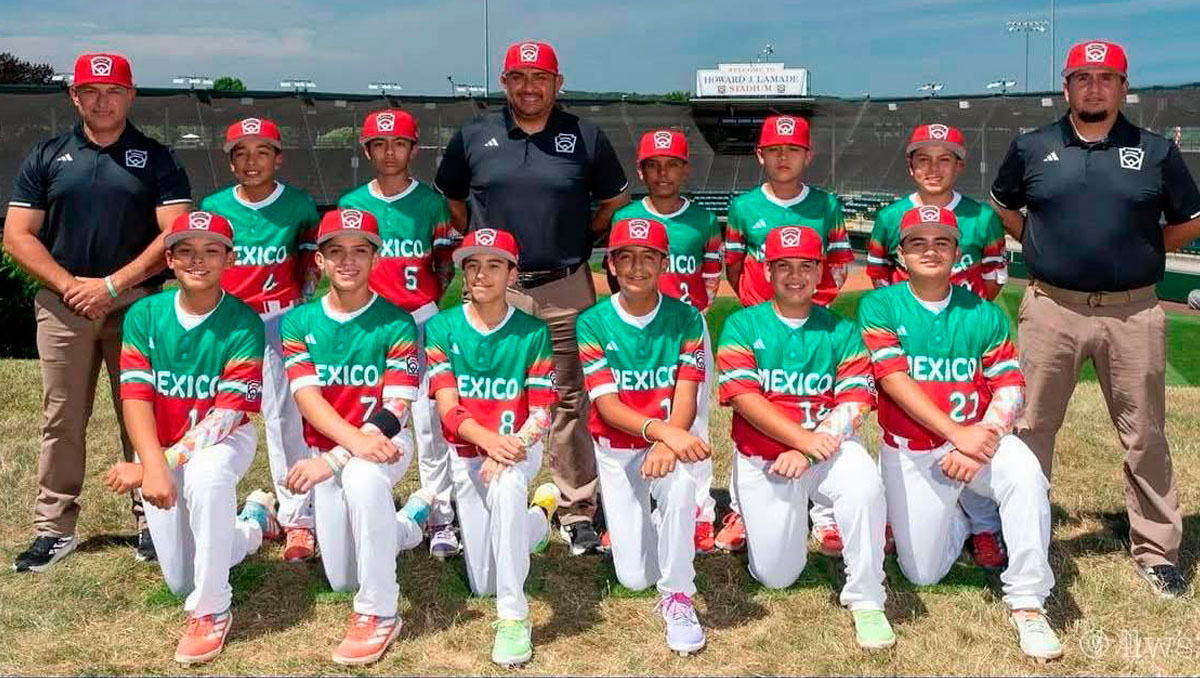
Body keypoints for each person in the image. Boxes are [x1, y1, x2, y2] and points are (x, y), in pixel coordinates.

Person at [991, 40, 1200, 598]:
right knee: (1031, 429)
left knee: (1145, 433)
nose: (1094, 87)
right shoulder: (1032, 146)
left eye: (1106, 78)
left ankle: (1157, 550)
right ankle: (1022, 538)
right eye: (1083, 77)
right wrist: (1042, 247)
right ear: (1066, 87)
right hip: (1051, 307)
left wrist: (1139, 251)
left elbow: (1186, 222)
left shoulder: (1155, 151)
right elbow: (1006, 207)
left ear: (1123, 88)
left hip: (1133, 311)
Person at [435, 40, 630, 555]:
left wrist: (578, 240)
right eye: (518, 77)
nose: (529, 87)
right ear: (504, 82)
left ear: (557, 83)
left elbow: (614, 200)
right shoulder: (475, 135)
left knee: (568, 398)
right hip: (496, 289)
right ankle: (483, 500)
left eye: (539, 77)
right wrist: (483, 250)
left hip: (565, 284)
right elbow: (454, 200)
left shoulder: (585, 137)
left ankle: (576, 507)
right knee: (489, 396)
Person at [5, 52, 192, 570]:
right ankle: (54, 527)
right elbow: (16, 236)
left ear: (130, 95)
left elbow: (175, 230)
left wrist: (112, 285)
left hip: (138, 304)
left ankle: (151, 518)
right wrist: (72, 286)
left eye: (113, 90)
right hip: (64, 306)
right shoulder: (47, 155)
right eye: (91, 90)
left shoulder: (156, 157)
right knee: (62, 417)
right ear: (74, 96)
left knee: (145, 412)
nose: (102, 100)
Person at [858, 205, 1061, 662]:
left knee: (1025, 473)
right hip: (912, 451)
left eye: (941, 242)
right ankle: (964, 515)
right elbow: (892, 379)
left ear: (958, 253)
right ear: (900, 254)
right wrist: (957, 434)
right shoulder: (879, 305)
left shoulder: (983, 312)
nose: (930, 250)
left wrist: (981, 438)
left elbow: (1010, 384)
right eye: (917, 242)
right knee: (922, 573)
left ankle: (1027, 600)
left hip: (978, 441)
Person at [101, 211, 275, 665]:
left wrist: (156, 465)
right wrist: (153, 463)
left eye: (211, 250)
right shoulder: (145, 313)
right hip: (160, 453)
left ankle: (212, 610)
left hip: (224, 441)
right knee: (180, 578)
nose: (198, 260)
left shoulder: (244, 322)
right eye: (186, 251)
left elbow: (226, 415)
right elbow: (135, 397)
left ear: (229, 258)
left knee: (208, 474)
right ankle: (254, 525)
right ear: (170, 260)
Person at [717, 225, 893, 651]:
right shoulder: (741, 324)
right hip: (764, 458)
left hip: (825, 452)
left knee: (864, 481)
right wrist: (799, 440)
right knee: (777, 576)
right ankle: (792, 522)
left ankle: (867, 597)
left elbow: (856, 402)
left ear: (821, 272)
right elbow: (743, 398)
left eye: (806, 266)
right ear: (766, 270)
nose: (794, 275)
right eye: (783, 266)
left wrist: (809, 449)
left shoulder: (841, 330)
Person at [279, 209, 436, 665]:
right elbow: (308, 400)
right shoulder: (298, 322)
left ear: (376, 257)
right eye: (336, 252)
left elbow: (396, 409)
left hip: (386, 445)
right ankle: (409, 523)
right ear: (320, 262)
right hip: (333, 445)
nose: (348, 262)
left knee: (365, 479)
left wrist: (334, 460)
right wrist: (342, 449)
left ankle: (379, 613)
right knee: (342, 577)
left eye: (359, 251)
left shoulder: (398, 323)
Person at [865, 123, 1008, 569]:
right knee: (906, 425)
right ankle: (904, 513)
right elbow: (879, 276)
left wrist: (966, 324)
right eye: (923, 158)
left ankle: (983, 524)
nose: (933, 168)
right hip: (909, 332)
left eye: (944, 158)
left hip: (965, 337)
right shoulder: (890, 217)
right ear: (910, 166)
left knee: (971, 424)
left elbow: (992, 279)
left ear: (960, 165)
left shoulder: (981, 217)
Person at [424, 228, 561, 667]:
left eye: (494, 264)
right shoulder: (443, 327)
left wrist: (511, 446)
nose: (482, 273)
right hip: (469, 452)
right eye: (473, 264)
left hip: (519, 450)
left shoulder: (533, 332)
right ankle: (538, 518)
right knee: (482, 580)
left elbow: (542, 413)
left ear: (513, 273)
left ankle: (513, 617)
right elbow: (448, 409)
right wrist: (488, 442)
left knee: (504, 488)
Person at [576, 217, 709, 655]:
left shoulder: (686, 317)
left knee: (683, 484)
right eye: (625, 257)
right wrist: (660, 431)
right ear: (610, 264)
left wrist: (667, 440)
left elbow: (686, 396)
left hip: (665, 448)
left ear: (663, 263)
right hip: (618, 449)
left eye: (648, 256)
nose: (637, 266)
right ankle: (658, 525)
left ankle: (678, 595)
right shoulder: (593, 321)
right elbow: (607, 406)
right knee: (634, 578)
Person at [721, 114, 853, 557]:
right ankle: (741, 508)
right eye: (774, 150)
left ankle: (827, 515)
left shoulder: (826, 205)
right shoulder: (743, 207)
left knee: (820, 406)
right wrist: (756, 310)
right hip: (762, 324)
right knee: (754, 415)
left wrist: (818, 306)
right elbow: (735, 266)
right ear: (760, 155)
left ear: (807, 155)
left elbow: (838, 264)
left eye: (792, 150)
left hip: (814, 319)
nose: (783, 157)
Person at [339, 109, 461, 560]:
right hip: (370, 321)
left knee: (431, 423)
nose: (390, 152)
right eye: (380, 144)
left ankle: (439, 512)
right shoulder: (352, 203)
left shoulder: (430, 203)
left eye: (399, 144)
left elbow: (445, 265)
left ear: (413, 149)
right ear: (367, 150)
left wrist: (426, 303)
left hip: (421, 317)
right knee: (369, 414)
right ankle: (359, 504)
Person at [200, 117, 321, 562]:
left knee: (284, 417)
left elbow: (308, 266)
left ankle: (298, 519)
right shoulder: (213, 207)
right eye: (241, 153)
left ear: (278, 157)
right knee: (211, 411)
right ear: (230, 161)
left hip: (278, 318)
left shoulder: (300, 205)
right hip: (227, 321)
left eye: (262, 151)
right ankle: (206, 506)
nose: (252, 161)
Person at [613, 129, 723, 554]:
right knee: (638, 411)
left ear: (684, 168)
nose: (663, 173)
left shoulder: (703, 220)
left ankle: (697, 511)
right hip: (637, 329)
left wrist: (690, 314)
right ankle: (636, 503)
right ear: (641, 170)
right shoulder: (625, 220)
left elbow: (711, 275)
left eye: (671, 164)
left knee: (692, 417)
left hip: (687, 327)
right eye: (653, 165)